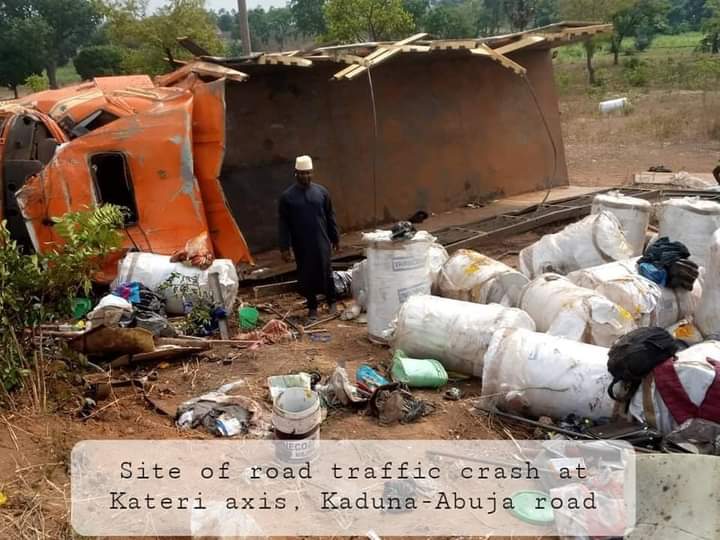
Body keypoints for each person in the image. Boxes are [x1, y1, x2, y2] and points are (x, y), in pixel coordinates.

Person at [278, 155, 339, 320]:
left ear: (312, 173)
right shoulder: (287, 197)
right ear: (296, 173)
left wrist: (335, 238)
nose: (306, 176)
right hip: (301, 243)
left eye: (308, 173)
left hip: (322, 240)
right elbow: (284, 224)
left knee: (327, 271)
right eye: (302, 173)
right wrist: (285, 247)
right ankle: (312, 307)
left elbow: (330, 216)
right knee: (306, 274)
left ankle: (332, 302)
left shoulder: (322, 192)